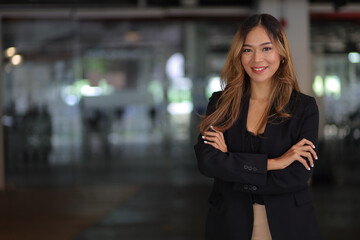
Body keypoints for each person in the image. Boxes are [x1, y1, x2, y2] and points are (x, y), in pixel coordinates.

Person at [194, 14, 322, 240]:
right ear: (239, 55)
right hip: (230, 224)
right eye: (247, 50)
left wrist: (232, 165)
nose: (257, 59)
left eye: (266, 49)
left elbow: (297, 175)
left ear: (281, 53)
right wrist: (274, 163)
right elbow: (207, 161)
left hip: (290, 225)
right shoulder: (221, 103)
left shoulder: (304, 108)